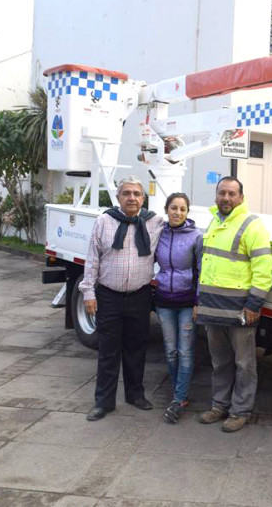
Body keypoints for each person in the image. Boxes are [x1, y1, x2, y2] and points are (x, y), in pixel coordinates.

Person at [80, 175, 164, 421]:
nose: (132, 198)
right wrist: (88, 292)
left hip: (139, 295)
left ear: (143, 199)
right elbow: (92, 259)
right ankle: (103, 402)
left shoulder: (155, 222)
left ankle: (135, 395)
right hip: (108, 296)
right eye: (126, 193)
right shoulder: (104, 222)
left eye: (137, 194)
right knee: (108, 350)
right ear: (118, 198)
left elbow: (179, 228)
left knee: (136, 348)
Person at [196, 176, 272, 433]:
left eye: (231, 193)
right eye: (222, 193)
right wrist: (200, 302)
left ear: (241, 197)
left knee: (244, 364)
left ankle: (240, 411)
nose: (226, 198)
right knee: (220, 362)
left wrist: (253, 306)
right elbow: (207, 266)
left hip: (240, 310)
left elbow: (264, 270)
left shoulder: (252, 225)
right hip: (212, 308)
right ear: (216, 195)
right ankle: (219, 406)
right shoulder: (214, 222)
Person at [154, 192, 203, 424]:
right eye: (174, 208)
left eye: (183, 209)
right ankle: (178, 394)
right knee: (170, 349)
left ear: (187, 212)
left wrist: (197, 301)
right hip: (164, 299)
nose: (178, 213)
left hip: (186, 302)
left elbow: (202, 271)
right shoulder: (159, 234)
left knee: (185, 351)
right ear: (166, 209)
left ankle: (179, 397)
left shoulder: (196, 237)